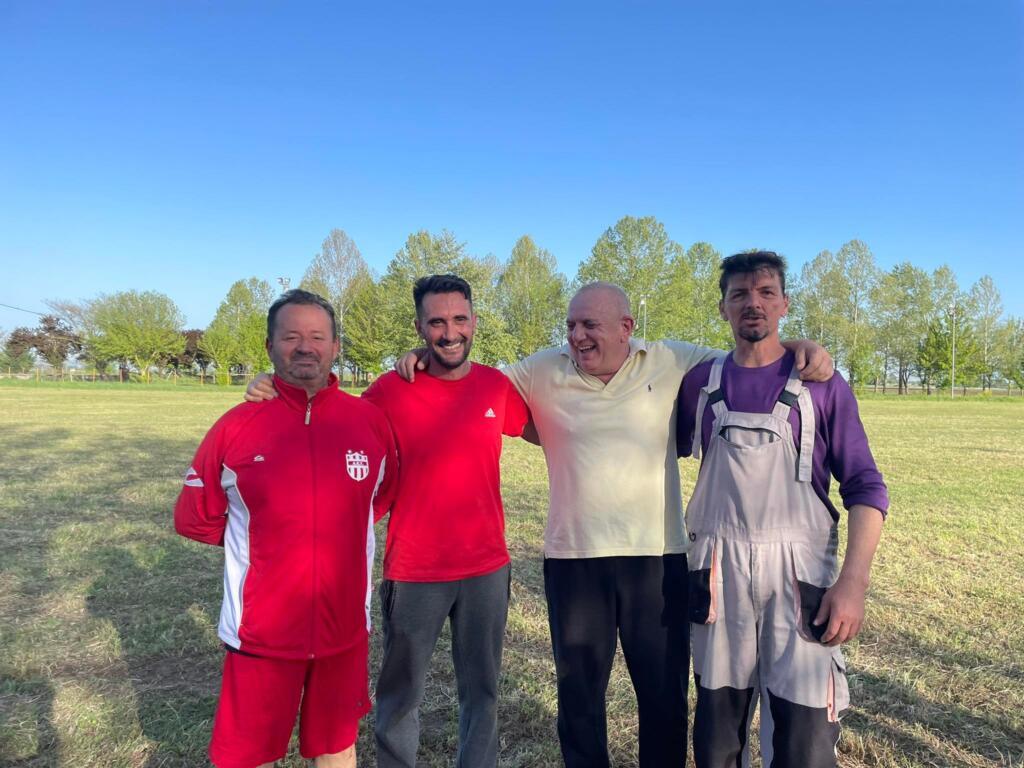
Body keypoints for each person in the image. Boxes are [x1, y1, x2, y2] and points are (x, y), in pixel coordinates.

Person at [398, 281, 833, 767]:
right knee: (579, 699)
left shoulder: (671, 359)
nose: (577, 336)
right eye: (570, 326)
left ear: (627, 327)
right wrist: (425, 353)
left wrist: (799, 345)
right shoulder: (540, 369)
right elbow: (468, 377)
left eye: (590, 325)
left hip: (657, 559)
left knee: (664, 696)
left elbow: (749, 357)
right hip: (574, 561)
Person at [245, 275, 529, 768]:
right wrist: (272, 386)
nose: (449, 332)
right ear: (419, 327)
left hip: (487, 568)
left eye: (459, 319)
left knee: (482, 692)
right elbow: (329, 417)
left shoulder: (495, 386)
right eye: (436, 322)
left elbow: (548, 428)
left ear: (474, 321)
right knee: (400, 697)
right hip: (415, 570)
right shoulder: (392, 389)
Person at [676, 252, 888, 767]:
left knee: (804, 740)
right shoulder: (697, 384)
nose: (753, 303)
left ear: (785, 304)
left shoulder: (822, 385)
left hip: (800, 579)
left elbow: (866, 487)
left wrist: (853, 583)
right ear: (723, 307)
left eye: (766, 293)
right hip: (717, 575)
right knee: (716, 739)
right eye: (740, 294)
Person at [175, 289, 397, 768]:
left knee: (335, 746)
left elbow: (376, 500)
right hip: (261, 632)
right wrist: (267, 540)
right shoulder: (236, 426)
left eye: (317, 336)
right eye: (291, 336)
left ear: (336, 346)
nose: (305, 347)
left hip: (343, 628)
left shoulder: (369, 423)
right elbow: (195, 517)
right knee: (246, 754)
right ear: (270, 345)